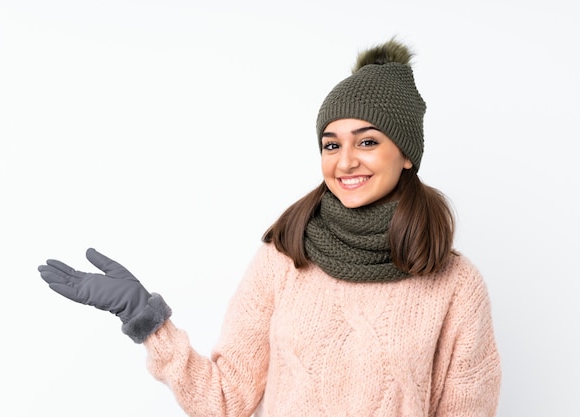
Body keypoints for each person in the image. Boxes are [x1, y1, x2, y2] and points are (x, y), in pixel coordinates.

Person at [38, 38, 501, 416]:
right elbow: (224, 400)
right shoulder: (285, 256)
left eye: (368, 141)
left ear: (406, 154)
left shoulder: (455, 286)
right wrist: (145, 318)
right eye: (330, 144)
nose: (345, 162)